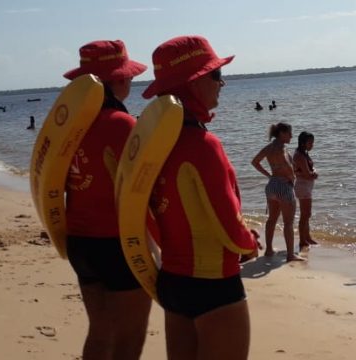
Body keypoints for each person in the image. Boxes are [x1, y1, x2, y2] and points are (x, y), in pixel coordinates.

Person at [143, 35, 261, 360]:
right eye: (216, 75)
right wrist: (249, 244)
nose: (222, 83)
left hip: (173, 280)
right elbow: (227, 219)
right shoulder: (202, 145)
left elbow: (142, 212)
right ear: (193, 82)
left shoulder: (152, 146)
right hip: (214, 285)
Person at [61, 39, 151, 360]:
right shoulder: (122, 124)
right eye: (127, 76)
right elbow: (145, 186)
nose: (131, 81)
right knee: (129, 336)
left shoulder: (68, 126)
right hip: (117, 243)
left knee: (99, 332)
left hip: (79, 243)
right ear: (118, 80)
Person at [252, 122, 305, 262]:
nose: (292, 136)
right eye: (289, 133)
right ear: (282, 133)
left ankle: (269, 250)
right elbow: (287, 166)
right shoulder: (281, 148)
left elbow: (255, 161)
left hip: (272, 185)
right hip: (283, 186)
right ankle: (290, 255)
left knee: (272, 219)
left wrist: (269, 175)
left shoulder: (269, 147)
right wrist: (292, 176)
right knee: (288, 223)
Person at [293, 131, 318, 250]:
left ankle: (307, 237)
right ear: (303, 143)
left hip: (306, 186)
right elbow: (307, 174)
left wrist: (311, 173)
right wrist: (314, 174)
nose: (312, 145)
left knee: (307, 214)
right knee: (305, 214)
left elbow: (304, 171)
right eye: (310, 143)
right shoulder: (299, 155)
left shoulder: (304, 154)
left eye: (313, 142)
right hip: (303, 186)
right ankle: (302, 240)